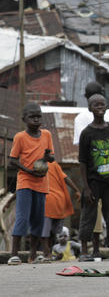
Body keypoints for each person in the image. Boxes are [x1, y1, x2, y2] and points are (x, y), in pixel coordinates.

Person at [73, 82, 109, 256]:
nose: (99, 108)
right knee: (89, 215)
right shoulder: (87, 133)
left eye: (102, 105)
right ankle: (86, 251)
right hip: (93, 180)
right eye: (96, 105)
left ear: (107, 106)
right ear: (89, 108)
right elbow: (82, 160)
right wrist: (86, 186)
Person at [7, 103, 55, 265]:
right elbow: (12, 160)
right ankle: (14, 254)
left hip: (42, 182)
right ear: (24, 119)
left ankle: (34, 254)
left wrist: (48, 157)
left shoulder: (47, 135)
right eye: (32, 117)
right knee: (22, 217)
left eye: (38, 116)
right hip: (25, 181)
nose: (36, 119)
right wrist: (28, 170)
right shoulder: (20, 137)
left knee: (38, 218)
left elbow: (52, 158)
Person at [41, 161, 81, 258]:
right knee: (53, 231)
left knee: (45, 231)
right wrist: (77, 190)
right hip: (59, 201)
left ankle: (47, 253)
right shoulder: (54, 165)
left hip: (47, 200)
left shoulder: (40, 165)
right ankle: (49, 252)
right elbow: (66, 178)